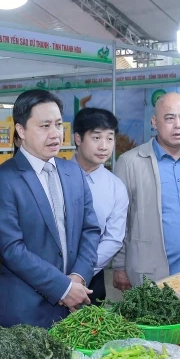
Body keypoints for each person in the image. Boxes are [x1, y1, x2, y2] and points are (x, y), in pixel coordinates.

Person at [0, 89, 100, 328]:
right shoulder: (2, 179)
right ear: (21, 131)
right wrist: (63, 287)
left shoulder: (73, 172)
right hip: (27, 312)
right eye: (45, 126)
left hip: (75, 306)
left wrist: (77, 279)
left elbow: (90, 230)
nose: (55, 134)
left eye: (58, 124)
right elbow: (11, 248)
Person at [112, 92, 180, 290]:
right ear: (154, 122)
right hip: (150, 269)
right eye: (169, 118)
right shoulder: (130, 163)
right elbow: (119, 219)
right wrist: (119, 265)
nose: (178, 125)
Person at [72, 108, 127, 303]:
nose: (104, 146)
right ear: (78, 139)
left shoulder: (116, 188)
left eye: (109, 138)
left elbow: (113, 239)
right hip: (48, 274)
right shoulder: (55, 175)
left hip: (91, 278)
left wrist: (79, 274)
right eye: (96, 138)